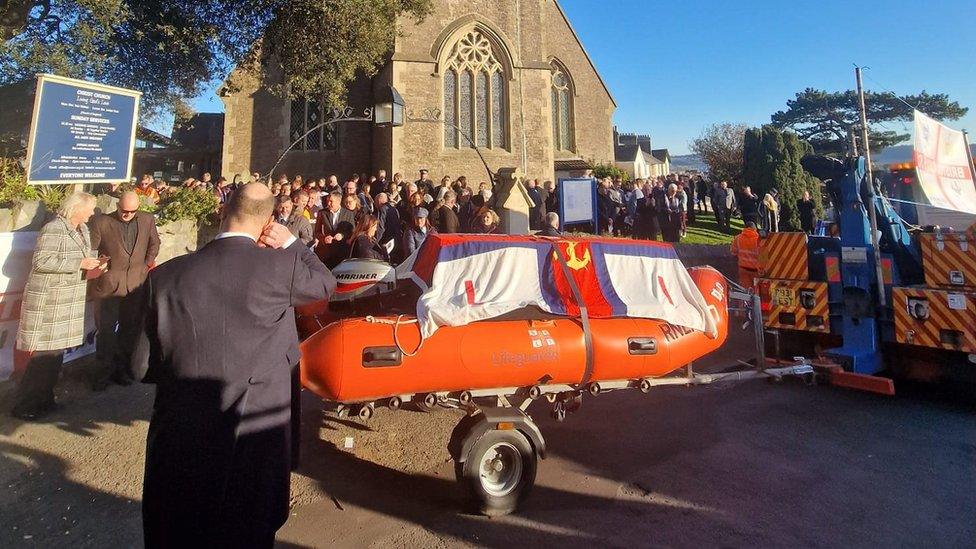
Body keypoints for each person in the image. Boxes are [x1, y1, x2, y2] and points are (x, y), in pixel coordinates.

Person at [132, 183, 335, 548]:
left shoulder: (164, 276)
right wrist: (292, 243)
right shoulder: (280, 268)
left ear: (223, 210)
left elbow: (139, 366)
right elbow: (324, 284)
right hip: (253, 442)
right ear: (269, 221)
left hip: (181, 441)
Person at [12, 192, 105, 420]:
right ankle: (25, 405)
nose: (92, 213)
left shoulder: (82, 230)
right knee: (42, 358)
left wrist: (95, 262)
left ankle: (45, 400)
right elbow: (41, 261)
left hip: (68, 301)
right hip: (50, 301)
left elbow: (81, 256)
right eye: (90, 209)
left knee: (55, 358)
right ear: (76, 209)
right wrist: (79, 263)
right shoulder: (54, 228)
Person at [88, 191, 160, 390]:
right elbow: (91, 249)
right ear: (117, 206)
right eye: (124, 211)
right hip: (109, 285)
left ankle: (122, 370)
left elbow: (154, 244)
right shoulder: (101, 222)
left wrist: (145, 265)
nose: (127, 214)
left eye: (132, 212)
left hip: (135, 285)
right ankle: (103, 375)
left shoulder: (146, 220)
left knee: (130, 330)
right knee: (106, 332)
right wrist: (99, 264)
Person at [313, 192, 356, 268]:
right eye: (327, 201)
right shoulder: (322, 213)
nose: (328, 203)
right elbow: (317, 232)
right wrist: (324, 238)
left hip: (342, 252)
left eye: (331, 201)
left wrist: (342, 236)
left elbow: (352, 232)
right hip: (327, 252)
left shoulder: (348, 213)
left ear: (338, 201)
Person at [731, 221, 761, 288]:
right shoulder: (759, 240)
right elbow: (764, 257)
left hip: (743, 270)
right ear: (754, 229)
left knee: (746, 291)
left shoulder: (738, 238)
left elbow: (733, 252)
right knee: (757, 291)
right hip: (756, 271)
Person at [374, 192, 402, 262]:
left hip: (386, 240)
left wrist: (377, 243)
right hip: (395, 239)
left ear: (379, 201)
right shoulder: (394, 209)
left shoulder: (382, 209)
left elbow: (381, 227)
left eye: (375, 202)